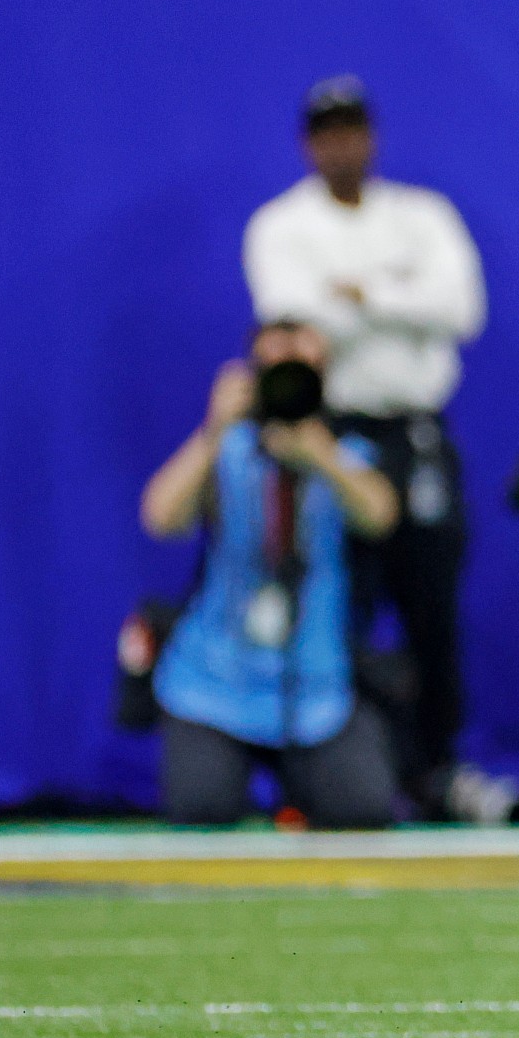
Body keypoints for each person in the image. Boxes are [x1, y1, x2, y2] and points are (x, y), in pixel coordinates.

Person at [245, 76, 489, 822]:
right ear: (307, 145)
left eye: (353, 130)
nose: (342, 146)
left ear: (372, 138)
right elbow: (296, 325)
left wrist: (364, 294)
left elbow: (462, 309)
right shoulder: (280, 226)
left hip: (415, 433)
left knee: (431, 606)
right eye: (328, 133)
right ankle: (322, 769)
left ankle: (435, 768)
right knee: (329, 605)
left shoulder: (423, 215)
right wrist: (402, 301)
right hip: (331, 434)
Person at [139, 323, 401, 828]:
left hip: (318, 693)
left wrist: (319, 455)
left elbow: (381, 514)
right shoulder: (226, 451)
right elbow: (160, 517)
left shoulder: (346, 455)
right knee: (201, 810)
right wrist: (213, 430)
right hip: (215, 687)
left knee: (361, 810)